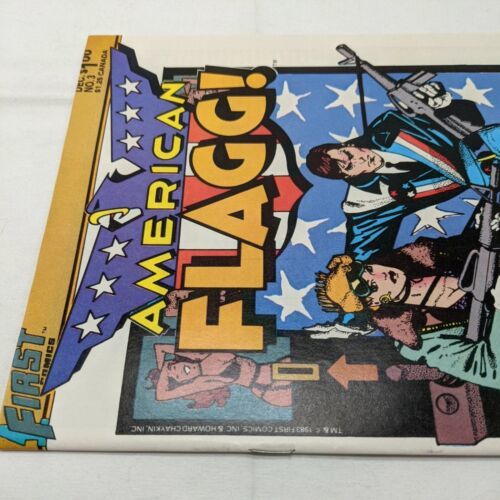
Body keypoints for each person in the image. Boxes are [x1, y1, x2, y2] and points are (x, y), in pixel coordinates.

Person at [305, 82, 487, 338]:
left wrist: (443, 105)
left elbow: (471, 124)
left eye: (348, 152)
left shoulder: (390, 125)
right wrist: (352, 320)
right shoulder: (367, 201)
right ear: (347, 177)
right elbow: (362, 256)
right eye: (349, 166)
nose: (360, 158)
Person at [313, 236, 500, 389]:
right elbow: (492, 371)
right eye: (372, 285)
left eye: (368, 269)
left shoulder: (430, 253)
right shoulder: (423, 338)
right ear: (373, 303)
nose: (381, 274)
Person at [146, 344, 292, 408]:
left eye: (173, 367)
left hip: (274, 370)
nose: (178, 371)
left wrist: (162, 367)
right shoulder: (202, 381)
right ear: (184, 382)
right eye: (176, 376)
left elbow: (160, 348)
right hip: (270, 390)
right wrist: (165, 370)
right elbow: (161, 395)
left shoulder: (203, 356)